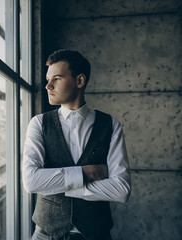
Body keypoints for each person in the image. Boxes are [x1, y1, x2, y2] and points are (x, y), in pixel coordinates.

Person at [22, 49, 131, 240]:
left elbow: (121, 190)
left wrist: (56, 184)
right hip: (46, 234)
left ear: (80, 81)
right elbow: (31, 182)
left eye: (56, 78)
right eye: (48, 79)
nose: (48, 86)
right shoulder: (39, 123)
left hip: (95, 234)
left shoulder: (110, 125)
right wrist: (87, 174)